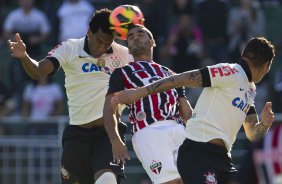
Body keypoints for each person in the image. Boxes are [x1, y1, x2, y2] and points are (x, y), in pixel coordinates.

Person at [112, 36, 276, 184]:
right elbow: (182, 79)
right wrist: (139, 92)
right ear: (266, 66)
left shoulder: (250, 89)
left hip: (222, 158)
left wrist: (265, 124)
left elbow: (252, 134)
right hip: (199, 153)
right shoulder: (229, 71)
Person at [7, 8, 133, 184]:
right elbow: (39, 71)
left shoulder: (124, 55)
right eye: (99, 41)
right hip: (77, 134)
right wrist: (24, 57)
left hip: (108, 134)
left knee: (107, 180)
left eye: (107, 44)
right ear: (89, 32)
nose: (102, 47)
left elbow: (143, 79)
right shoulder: (70, 48)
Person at [103, 24, 192, 184]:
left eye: (141, 34)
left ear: (153, 42)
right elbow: (109, 110)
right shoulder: (121, 72)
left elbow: (186, 112)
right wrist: (115, 140)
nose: (135, 37)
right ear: (128, 49)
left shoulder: (171, 74)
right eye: (130, 37)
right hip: (148, 131)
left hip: (179, 129)